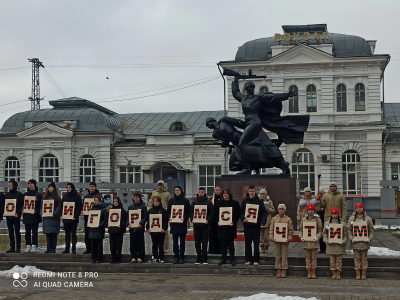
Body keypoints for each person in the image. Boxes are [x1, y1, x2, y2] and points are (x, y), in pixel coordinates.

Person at [231, 75, 308, 174]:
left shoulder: (257, 97)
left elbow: (273, 97)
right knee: (268, 145)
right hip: (249, 123)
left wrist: (287, 95)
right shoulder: (243, 98)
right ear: (246, 89)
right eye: (250, 87)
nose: (252, 89)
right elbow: (235, 92)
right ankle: (283, 166)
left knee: (242, 143)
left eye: (253, 87)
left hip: (255, 122)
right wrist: (236, 79)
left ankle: (247, 168)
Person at [240, 185, 267, 266]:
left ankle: (256, 260)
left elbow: (264, 213)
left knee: (256, 243)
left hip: (256, 226)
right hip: (247, 226)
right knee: (247, 243)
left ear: (255, 192)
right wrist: (243, 219)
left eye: (253, 191)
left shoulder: (259, 201)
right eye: (250, 191)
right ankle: (248, 259)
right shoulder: (245, 201)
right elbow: (241, 212)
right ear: (248, 192)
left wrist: (262, 221)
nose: (251, 193)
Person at [348, 203, 375, 280]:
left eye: (360, 207)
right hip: (355, 243)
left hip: (364, 243)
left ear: (363, 208)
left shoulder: (368, 219)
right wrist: (351, 238)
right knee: (356, 258)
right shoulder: (352, 218)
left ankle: (364, 273)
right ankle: (357, 272)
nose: (359, 209)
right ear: (355, 209)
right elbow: (349, 230)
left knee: (364, 258)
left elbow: (371, 230)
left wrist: (369, 239)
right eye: (357, 208)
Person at [215, 188, 240, 266]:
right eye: (224, 193)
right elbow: (215, 214)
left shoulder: (235, 203)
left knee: (231, 244)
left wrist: (234, 222)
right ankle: (223, 259)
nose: (225, 195)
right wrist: (217, 222)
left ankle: (232, 259)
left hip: (230, 227)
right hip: (222, 227)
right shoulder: (219, 203)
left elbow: (237, 214)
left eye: (226, 193)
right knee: (223, 245)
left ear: (229, 194)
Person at [167, 186, 190, 264]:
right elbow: (168, 212)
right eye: (175, 190)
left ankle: (181, 256)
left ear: (181, 191)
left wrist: (185, 218)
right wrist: (169, 217)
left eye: (178, 190)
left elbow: (188, 212)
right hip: (174, 225)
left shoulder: (185, 201)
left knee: (182, 242)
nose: (177, 192)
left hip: (182, 224)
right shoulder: (171, 201)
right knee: (175, 242)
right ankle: (176, 256)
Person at [190, 187, 214, 264]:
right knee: (197, 243)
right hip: (196, 226)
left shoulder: (208, 202)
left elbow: (212, 212)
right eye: (199, 192)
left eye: (202, 192)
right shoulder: (194, 202)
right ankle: (198, 257)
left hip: (205, 226)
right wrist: (192, 219)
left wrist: (208, 220)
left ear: (204, 193)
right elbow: (191, 212)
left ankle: (204, 258)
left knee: (204, 243)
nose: (200, 193)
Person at [322, 207, 348, 280]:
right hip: (331, 246)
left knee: (339, 260)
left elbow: (345, 235)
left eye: (335, 214)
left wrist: (343, 241)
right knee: (332, 260)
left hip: (339, 246)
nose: (334, 215)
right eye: (333, 214)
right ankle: (333, 273)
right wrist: (327, 241)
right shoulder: (327, 223)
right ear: (331, 214)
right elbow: (324, 234)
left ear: (338, 214)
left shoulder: (342, 224)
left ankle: (338, 273)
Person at [269, 204, 293, 278]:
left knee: (284, 255)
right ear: (278, 210)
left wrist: (288, 239)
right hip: (276, 240)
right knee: (277, 255)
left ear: (285, 210)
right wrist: (272, 238)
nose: (281, 210)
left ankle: (284, 270)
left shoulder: (288, 219)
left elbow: (290, 230)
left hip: (284, 241)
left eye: (283, 209)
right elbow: (271, 230)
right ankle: (278, 269)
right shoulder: (274, 219)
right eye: (280, 209)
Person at [299, 204, 322, 279]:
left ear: (314, 210)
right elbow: (301, 230)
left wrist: (317, 237)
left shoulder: (317, 219)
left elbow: (320, 231)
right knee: (307, 258)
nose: (310, 211)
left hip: (314, 243)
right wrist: (301, 236)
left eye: (311, 210)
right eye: (309, 210)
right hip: (306, 242)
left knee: (314, 257)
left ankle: (313, 271)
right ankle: (309, 271)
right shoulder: (303, 219)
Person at [148, 180, 171, 253]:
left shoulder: (167, 194)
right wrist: (149, 209)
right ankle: (155, 248)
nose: (160, 186)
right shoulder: (154, 193)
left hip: (163, 213)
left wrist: (167, 212)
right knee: (154, 232)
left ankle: (165, 248)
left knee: (164, 232)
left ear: (163, 186)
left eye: (161, 185)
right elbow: (150, 202)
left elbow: (169, 203)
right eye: (159, 185)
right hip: (154, 215)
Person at [60, 183, 83, 254]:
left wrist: (75, 216)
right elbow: (62, 207)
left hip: (73, 219)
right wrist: (61, 215)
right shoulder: (65, 196)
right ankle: (67, 248)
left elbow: (79, 207)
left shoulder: (77, 197)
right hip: (66, 219)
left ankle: (73, 248)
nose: (68, 188)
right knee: (67, 235)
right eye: (67, 187)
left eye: (69, 187)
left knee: (73, 234)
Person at [22, 179, 43, 253]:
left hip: (34, 217)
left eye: (31, 183)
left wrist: (36, 211)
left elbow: (40, 205)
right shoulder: (25, 194)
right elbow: (22, 205)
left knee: (34, 232)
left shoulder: (38, 194)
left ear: (34, 184)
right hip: (27, 216)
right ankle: (28, 245)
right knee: (27, 232)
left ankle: (34, 245)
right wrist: (23, 210)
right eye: (29, 183)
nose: (30, 185)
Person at [3, 180, 24, 253]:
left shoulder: (19, 194)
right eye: (8, 185)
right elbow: (4, 205)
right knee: (10, 232)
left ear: (14, 186)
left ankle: (18, 247)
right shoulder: (7, 195)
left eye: (10, 185)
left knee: (17, 231)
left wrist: (18, 213)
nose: (9, 187)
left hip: (16, 216)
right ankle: (12, 247)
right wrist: (4, 212)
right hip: (8, 216)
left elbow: (21, 206)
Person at [127, 192, 147, 263]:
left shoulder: (143, 206)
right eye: (135, 197)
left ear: (140, 198)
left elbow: (145, 217)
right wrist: (128, 224)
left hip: (140, 228)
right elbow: (128, 217)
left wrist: (141, 223)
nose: (136, 198)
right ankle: (134, 256)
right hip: (132, 228)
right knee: (132, 243)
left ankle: (141, 257)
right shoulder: (130, 207)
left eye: (137, 197)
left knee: (140, 243)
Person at [42, 182, 62, 253]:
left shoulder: (57, 197)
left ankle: (53, 248)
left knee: (53, 234)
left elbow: (60, 206)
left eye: (52, 187)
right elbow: (42, 206)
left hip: (54, 218)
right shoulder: (45, 197)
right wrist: (42, 213)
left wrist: (54, 213)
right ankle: (48, 248)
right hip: (47, 218)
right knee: (48, 234)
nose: (50, 189)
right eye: (49, 187)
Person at [146, 196, 168, 263]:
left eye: (157, 201)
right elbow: (148, 221)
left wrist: (164, 228)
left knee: (161, 245)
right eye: (154, 201)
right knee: (154, 244)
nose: (155, 203)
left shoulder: (163, 210)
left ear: (159, 202)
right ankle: (154, 256)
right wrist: (148, 228)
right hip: (153, 231)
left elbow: (165, 221)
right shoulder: (150, 211)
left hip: (160, 231)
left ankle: (161, 257)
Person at [82, 182, 101, 254]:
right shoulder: (86, 196)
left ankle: (94, 249)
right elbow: (83, 206)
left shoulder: (98, 196)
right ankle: (88, 248)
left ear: (95, 187)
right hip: (87, 218)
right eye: (90, 186)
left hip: (95, 218)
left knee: (94, 234)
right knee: (87, 234)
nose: (91, 188)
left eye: (92, 186)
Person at [88, 195, 107, 263]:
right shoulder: (92, 209)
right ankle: (93, 258)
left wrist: (100, 225)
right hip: (92, 229)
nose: (96, 202)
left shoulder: (103, 209)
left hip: (99, 229)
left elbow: (105, 219)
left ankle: (99, 258)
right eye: (95, 200)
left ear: (100, 201)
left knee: (99, 244)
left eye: (97, 200)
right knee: (93, 245)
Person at [108, 197, 127, 264]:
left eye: (116, 201)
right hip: (112, 230)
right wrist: (108, 225)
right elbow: (108, 220)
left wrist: (121, 225)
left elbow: (125, 220)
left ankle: (118, 258)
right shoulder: (111, 210)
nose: (115, 202)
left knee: (118, 245)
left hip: (119, 230)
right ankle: (113, 258)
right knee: (112, 245)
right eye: (114, 201)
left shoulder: (122, 210)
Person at [259, 189, 275, 254]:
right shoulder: (258, 201)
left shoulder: (269, 201)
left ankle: (266, 247)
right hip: (259, 220)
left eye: (263, 194)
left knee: (266, 235)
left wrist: (269, 209)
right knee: (260, 235)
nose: (262, 195)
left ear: (266, 195)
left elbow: (273, 210)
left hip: (267, 220)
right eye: (261, 194)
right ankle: (261, 247)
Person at [208, 186, 222, 254]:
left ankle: (219, 249)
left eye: (218, 190)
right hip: (213, 220)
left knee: (220, 235)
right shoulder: (211, 199)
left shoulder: (222, 199)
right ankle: (212, 249)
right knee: (213, 235)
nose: (217, 191)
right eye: (216, 190)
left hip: (221, 219)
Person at [317, 187, 326, 253]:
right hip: (319, 217)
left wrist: (324, 209)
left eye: (322, 193)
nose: (321, 195)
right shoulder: (317, 199)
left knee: (325, 233)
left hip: (325, 217)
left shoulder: (325, 198)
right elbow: (315, 208)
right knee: (320, 232)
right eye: (320, 193)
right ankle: (321, 248)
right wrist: (318, 209)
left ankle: (325, 248)